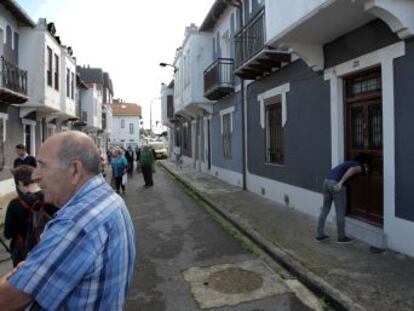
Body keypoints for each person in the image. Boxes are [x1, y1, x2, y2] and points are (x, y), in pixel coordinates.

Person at [0, 131, 136, 310]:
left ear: (74, 170)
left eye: (43, 166)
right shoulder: (109, 198)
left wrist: (17, 275)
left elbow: (5, 299)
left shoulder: (76, 223)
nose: (35, 176)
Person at [3, 165, 56, 267]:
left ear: (19, 183)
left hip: (23, 252)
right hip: (47, 247)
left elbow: (7, 233)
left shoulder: (15, 204)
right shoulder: (51, 197)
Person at [316, 153, 370, 244]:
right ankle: (341, 237)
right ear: (364, 162)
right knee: (340, 212)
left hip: (326, 182)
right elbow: (352, 170)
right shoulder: (358, 166)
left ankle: (319, 235)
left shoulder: (348, 162)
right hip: (337, 185)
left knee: (325, 209)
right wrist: (341, 182)